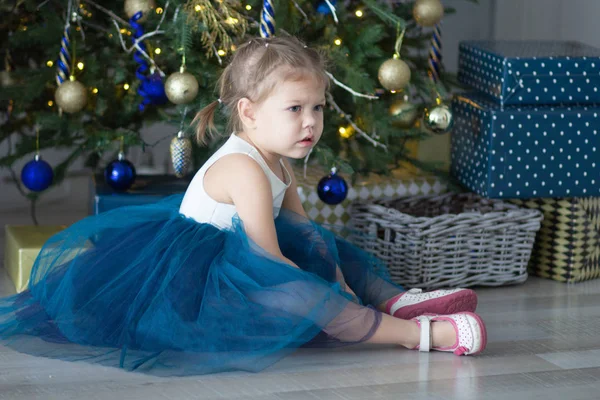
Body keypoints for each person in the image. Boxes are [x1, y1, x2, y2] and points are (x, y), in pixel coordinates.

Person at [0, 36, 486, 377]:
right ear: (249, 112)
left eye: (317, 107)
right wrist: (325, 294)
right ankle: (420, 336)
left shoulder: (278, 159)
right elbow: (267, 261)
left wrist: (337, 275)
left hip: (250, 255)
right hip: (203, 279)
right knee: (302, 295)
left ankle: (393, 300)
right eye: (294, 109)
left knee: (333, 248)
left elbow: (304, 230)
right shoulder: (245, 168)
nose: (311, 122)